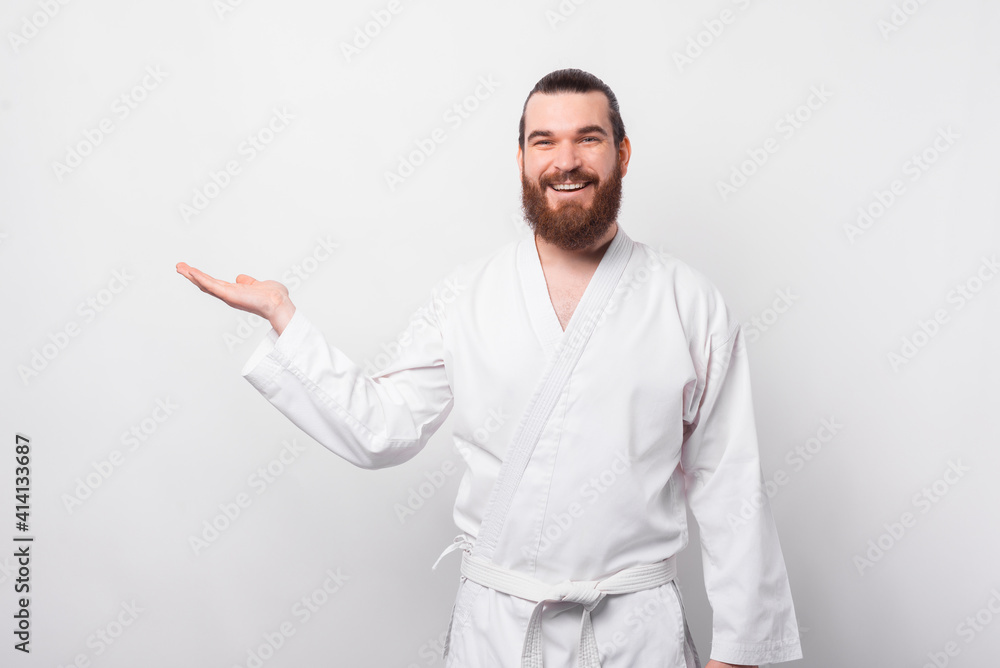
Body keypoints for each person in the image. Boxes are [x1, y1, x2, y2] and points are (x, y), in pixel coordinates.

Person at [177, 68, 802, 668]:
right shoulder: (467, 294)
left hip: (636, 636)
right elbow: (382, 429)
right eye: (544, 141)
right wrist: (286, 319)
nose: (566, 160)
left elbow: (731, 483)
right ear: (522, 159)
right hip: (499, 635)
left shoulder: (688, 302)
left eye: (589, 137)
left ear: (623, 152)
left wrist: (739, 653)